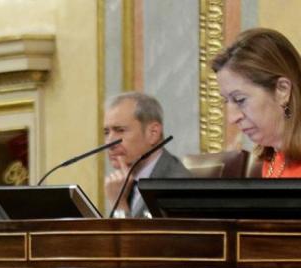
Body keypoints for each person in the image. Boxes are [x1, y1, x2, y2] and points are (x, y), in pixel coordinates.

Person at [212, 27, 301, 178]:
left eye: (240, 100)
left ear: (282, 90)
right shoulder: (273, 160)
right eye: (226, 101)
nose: (232, 118)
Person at [103, 91, 193, 217]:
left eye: (120, 130)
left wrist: (119, 206)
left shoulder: (176, 186)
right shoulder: (125, 181)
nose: (109, 142)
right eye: (106, 132)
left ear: (153, 133)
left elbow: (142, 237)